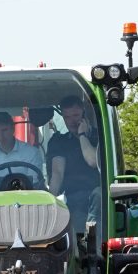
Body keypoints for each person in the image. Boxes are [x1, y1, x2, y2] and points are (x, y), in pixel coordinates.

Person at [47, 95, 100, 234]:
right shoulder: (59, 141)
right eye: (67, 117)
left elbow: (92, 161)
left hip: (100, 198)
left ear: (83, 113)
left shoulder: (99, 136)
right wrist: (49, 203)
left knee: (99, 195)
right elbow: (57, 174)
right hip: (73, 198)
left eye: (76, 115)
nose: (72, 121)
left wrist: (82, 135)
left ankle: (95, 248)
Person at [0, 111, 45, 190]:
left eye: (4, 130)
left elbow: (34, 184)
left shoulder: (32, 152)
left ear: (13, 129)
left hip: (26, 197)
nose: (1, 136)